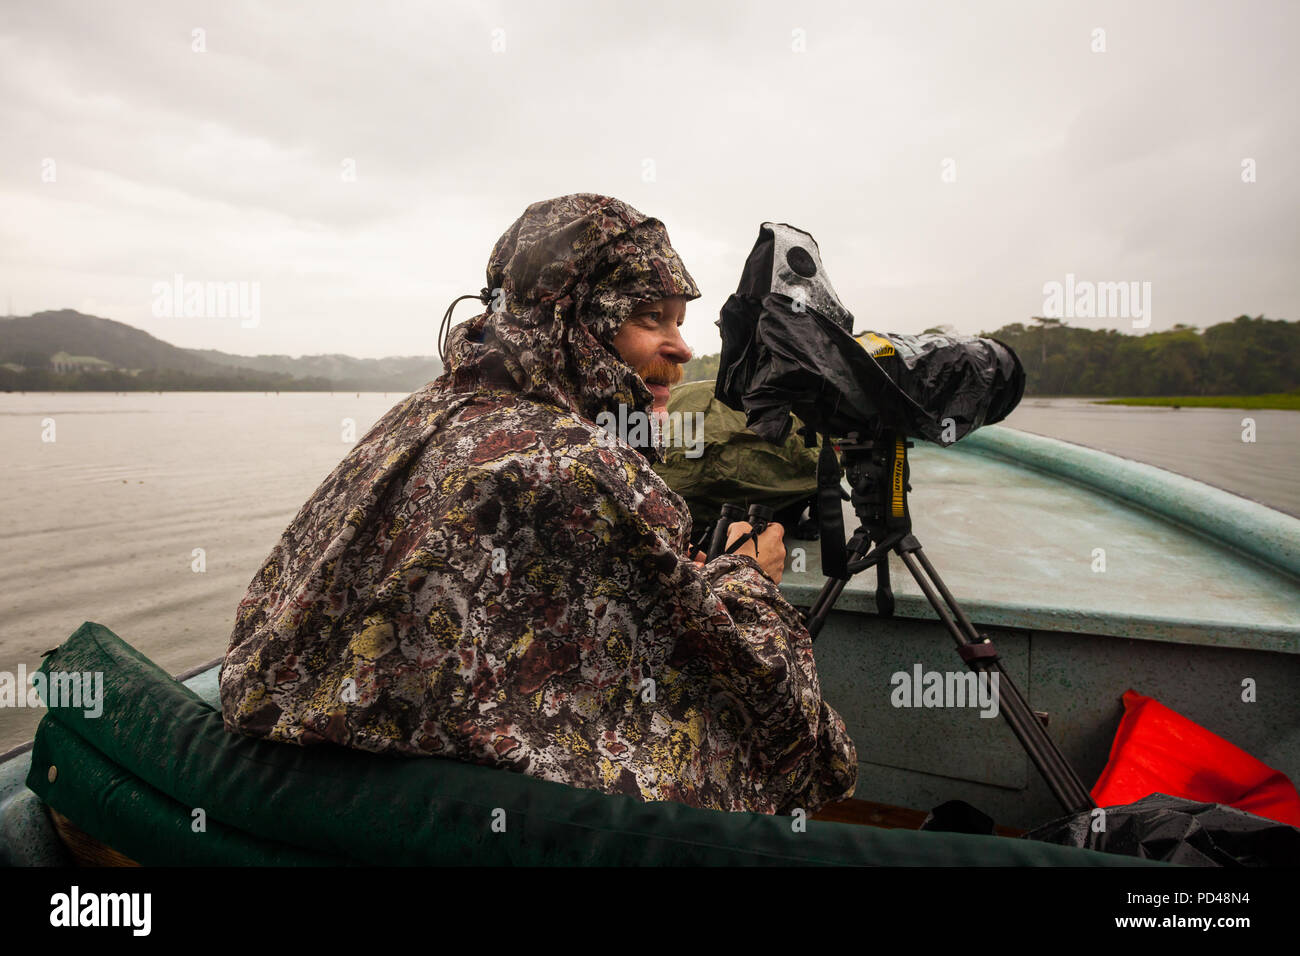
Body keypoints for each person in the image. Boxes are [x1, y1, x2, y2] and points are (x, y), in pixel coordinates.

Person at [219, 193, 857, 814]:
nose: (682, 349)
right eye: (650, 318)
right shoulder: (579, 464)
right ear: (576, 323)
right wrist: (750, 577)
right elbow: (744, 689)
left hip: (308, 783)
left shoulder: (421, 413)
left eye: (680, 323)